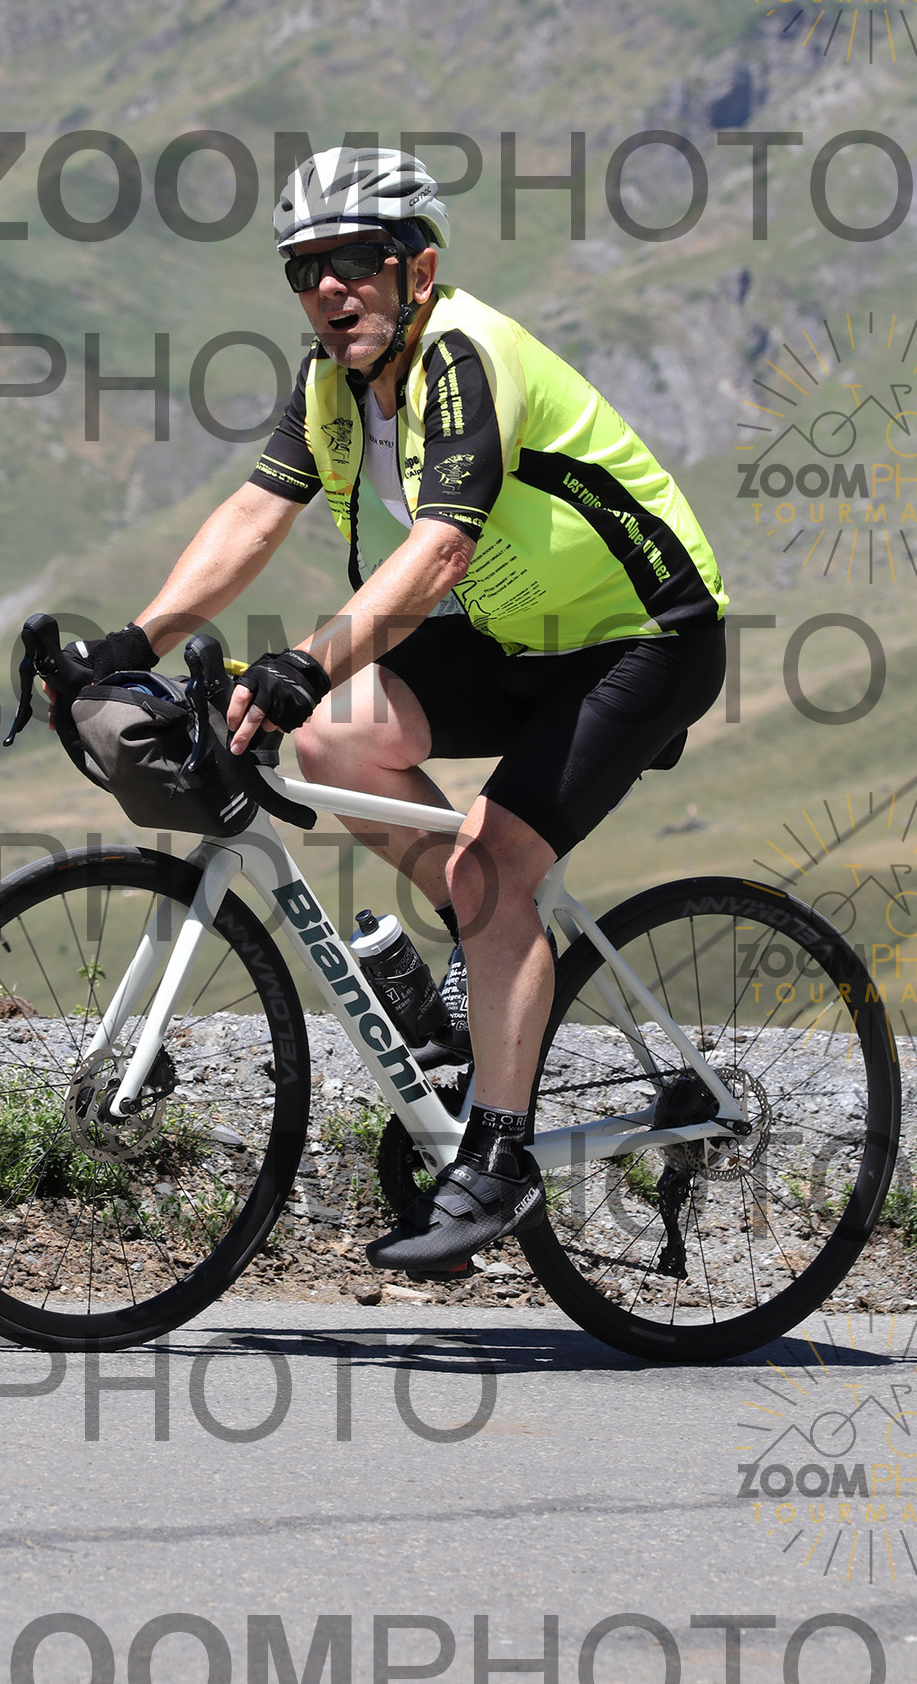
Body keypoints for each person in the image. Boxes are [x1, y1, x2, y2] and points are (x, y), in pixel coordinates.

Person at [69, 146, 728, 1275]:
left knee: (492, 862)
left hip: (643, 639)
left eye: (357, 262)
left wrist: (309, 660)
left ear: (417, 267)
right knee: (333, 738)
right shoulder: (331, 386)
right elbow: (254, 514)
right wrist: (130, 646)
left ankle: (500, 1159)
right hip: (515, 636)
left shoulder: (464, 354)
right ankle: (476, 961)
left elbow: (440, 550)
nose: (330, 289)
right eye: (306, 270)